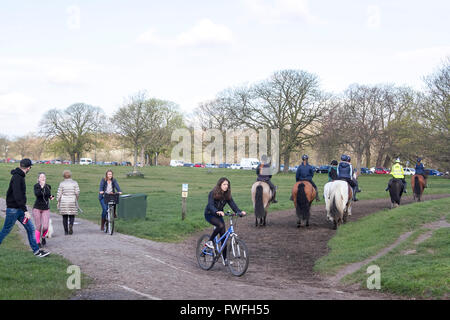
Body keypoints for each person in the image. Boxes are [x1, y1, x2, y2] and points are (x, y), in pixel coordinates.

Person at [0, 159, 50, 257]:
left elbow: (11, 194)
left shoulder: (19, 176)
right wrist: (25, 210)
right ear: (28, 168)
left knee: (31, 229)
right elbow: (17, 195)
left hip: (18, 210)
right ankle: (37, 251)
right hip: (15, 210)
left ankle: (37, 252)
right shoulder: (17, 177)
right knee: (6, 230)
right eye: (30, 167)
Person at [204, 178, 246, 265]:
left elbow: (233, 205)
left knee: (224, 237)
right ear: (220, 185)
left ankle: (225, 259)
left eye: (227, 185)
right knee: (220, 225)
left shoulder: (227, 195)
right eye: (224, 184)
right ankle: (210, 241)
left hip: (219, 215)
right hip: (210, 214)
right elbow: (211, 205)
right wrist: (216, 211)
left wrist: (239, 212)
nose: (226, 186)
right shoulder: (212, 193)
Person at [32, 172, 54, 248]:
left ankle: (43, 237)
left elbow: (48, 195)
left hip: (45, 208)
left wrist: (51, 196)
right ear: (38, 179)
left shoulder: (48, 186)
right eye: (41, 177)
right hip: (37, 208)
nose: (43, 178)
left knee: (45, 227)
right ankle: (38, 242)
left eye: (44, 177)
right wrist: (41, 187)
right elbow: (38, 194)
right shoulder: (36, 186)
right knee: (38, 226)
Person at [57, 170, 80, 235]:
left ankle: (66, 231)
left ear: (63, 176)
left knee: (64, 217)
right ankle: (71, 225)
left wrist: (58, 201)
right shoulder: (75, 183)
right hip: (72, 201)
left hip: (64, 202)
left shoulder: (62, 183)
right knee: (72, 215)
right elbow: (77, 192)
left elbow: (59, 193)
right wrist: (76, 198)